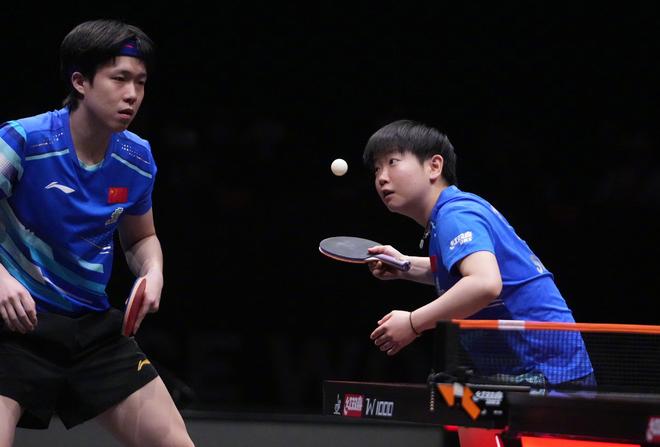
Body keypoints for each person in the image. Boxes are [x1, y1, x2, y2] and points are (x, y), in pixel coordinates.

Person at [0, 19, 194, 446]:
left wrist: (153, 272)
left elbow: (141, 238)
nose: (132, 94)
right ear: (80, 82)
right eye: (119, 79)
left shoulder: (136, 158)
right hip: (13, 325)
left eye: (140, 82)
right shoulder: (23, 140)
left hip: (90, 332)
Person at [363, 119, 594, 388]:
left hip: (549, 375)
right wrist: (404, 265)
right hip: (539, 372)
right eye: (377, 168)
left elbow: (484, 284)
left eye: (392, 162)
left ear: (434, 166)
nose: (381, 177)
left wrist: (414, 323)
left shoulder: (455, 215)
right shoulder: (451, 213)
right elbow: (462, 271)